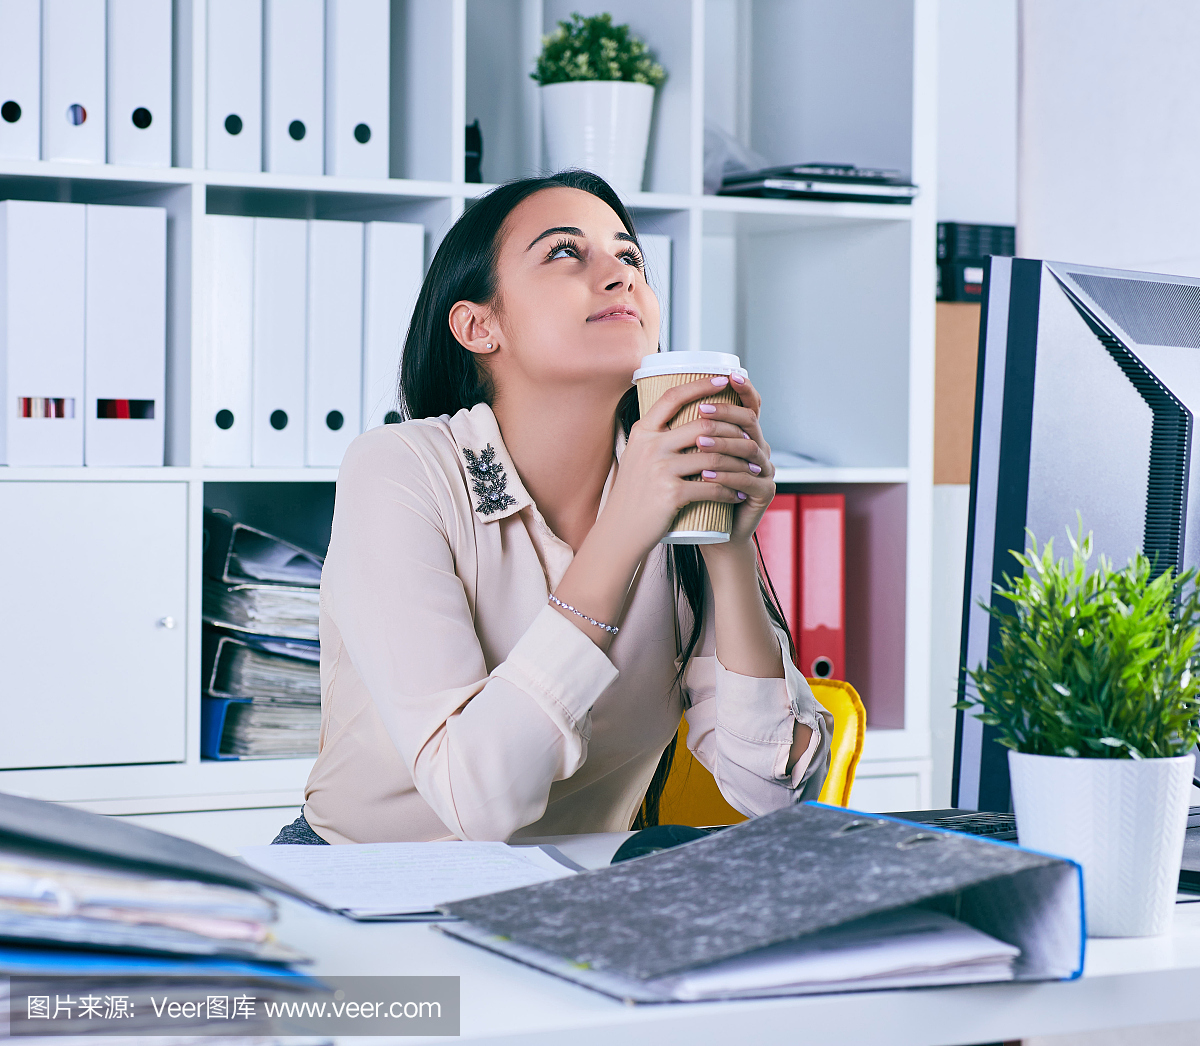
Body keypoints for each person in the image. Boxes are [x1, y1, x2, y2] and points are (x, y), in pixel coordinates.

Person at [283, 171, 832, 846]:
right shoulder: (401, 468)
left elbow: (772, 792)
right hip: (367, 889)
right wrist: (621, 535)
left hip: (576, 892)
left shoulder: (673, 486)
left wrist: (727, 544)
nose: (619, 275)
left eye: (630, 256)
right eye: (565, 252)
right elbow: (478, 803)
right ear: (478, 325)